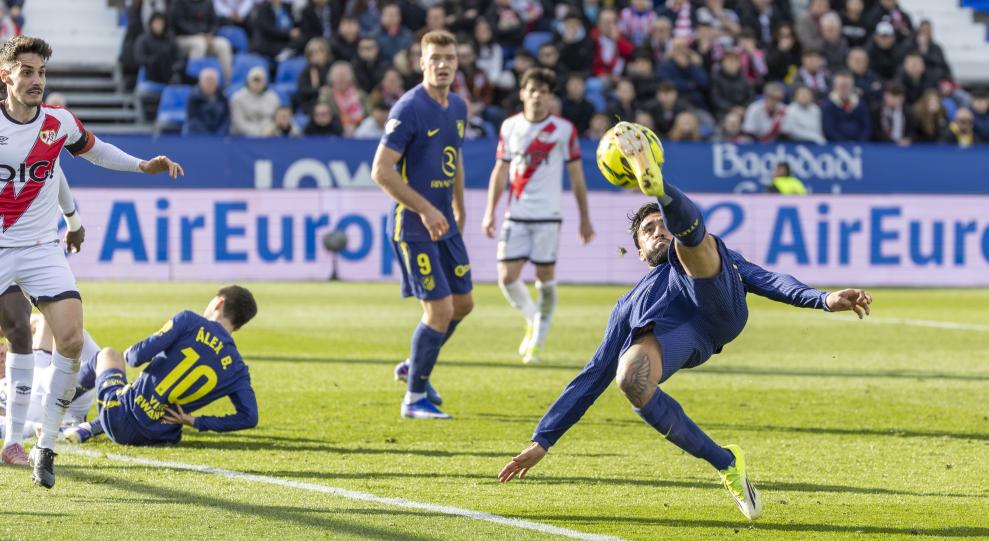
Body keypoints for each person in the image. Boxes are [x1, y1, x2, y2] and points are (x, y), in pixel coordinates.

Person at [498, 121, 873, 520]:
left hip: (720, 303)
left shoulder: (692, 247)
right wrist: (543, 440)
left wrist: (822, 298)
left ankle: (658, 186)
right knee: (630, 378)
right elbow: (592, 376)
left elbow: (766, 279)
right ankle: (727, 463)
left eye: (660, 222)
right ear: (639, 251)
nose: (657, 230)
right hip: (686, 337)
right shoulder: (629, 305)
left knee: (691, 245)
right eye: (648, 230)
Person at [0, 36, 183, 487]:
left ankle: (45, 446)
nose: (36, 80)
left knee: (71, 337)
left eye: (41, 72)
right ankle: (11, 439)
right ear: (6, 76)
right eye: (27, 71)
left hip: (43, 248)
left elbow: (93, 152)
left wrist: (143, 166)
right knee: (19, 331)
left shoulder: (58, 124)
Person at [371, 31, 472, 419]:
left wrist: (458, 206)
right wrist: (426, 210)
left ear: (457, 62)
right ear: (422, 63)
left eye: (449, 57)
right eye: (435, 58)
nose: (443, 64)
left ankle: (416, 365)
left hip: (444, 224)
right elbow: (381, 171)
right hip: (413, 226)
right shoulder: (408, 108)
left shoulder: (459, 107)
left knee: (463, 303)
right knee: (439, 311)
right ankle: (414, 398)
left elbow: (454, 158)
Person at [481, 68, 595, 364]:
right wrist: (489, 212)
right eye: (532, 90)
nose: (537, 96)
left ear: (550, 97)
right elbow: (501, 170)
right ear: (522, 93)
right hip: (515, 214)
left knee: (544, 277)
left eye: (543, 91)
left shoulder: (563, 130)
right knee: (507, 278)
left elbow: (576, 176)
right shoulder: (509, 127)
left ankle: (538, 339)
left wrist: (585, 217)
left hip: (548, 216)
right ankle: (534, 318)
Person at [61, 286, 259, 446]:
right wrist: (196, 422)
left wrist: (130, 352)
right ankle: (87, 428)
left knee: (108, 355)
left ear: (219, 302)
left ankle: (53, 406)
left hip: (120, 416)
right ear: (239, 326)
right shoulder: (238, 369)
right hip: (160, 434)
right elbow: (249, 418)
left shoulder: (190, 321)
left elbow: (135, 357)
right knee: (141, 399)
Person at [0, 314, 100, 443]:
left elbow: (45, 321)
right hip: (61, 413)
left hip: (62, 386)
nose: (1, 351)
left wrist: (8, 327)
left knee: (62, 325)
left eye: (1, 345)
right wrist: (33, 428)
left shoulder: (33, 361)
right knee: (104, 359)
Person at [168, 0, 234, 83]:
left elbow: (214, 22)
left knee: (223, 44)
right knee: (199, 44)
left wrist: (211, 33)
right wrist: (198, 33)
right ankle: (195, 81)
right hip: (183, 38)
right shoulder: (178, 2)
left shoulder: (208, 2)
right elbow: (179, 23)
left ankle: (228, 81)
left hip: (206, 38)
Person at [230, 66, 280, 136]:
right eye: (254, 81)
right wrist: (258, 134)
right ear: (248, 81)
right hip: (243, 138)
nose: (257, 84)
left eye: (259, 81)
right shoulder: (237, 98)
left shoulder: (273, 98)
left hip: (268, 137)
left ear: (265, 82)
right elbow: (239, 123)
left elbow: (277, 120)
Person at [822, 71, 871, 142]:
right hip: (836, 145)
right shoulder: (828, 105)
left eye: (847, 86)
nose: (844, 89)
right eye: (841, 86)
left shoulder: (860, 104)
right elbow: (829, 129)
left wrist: (861, 142)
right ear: (834, 86)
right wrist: (844, 143)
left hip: (860, 145)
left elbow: (866, 127)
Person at [133, 12, 180, 85]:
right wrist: (155, 60)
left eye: (161, 23)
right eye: (156, 23)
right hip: (152, 71)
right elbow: (139, 58)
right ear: (151, 24)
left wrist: (175, 66)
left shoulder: (170, 39)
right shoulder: (143, 40)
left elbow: (178, 57)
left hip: (169, 70)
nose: (158, 26)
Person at [186, 67, 230, 135]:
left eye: (212, 81)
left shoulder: (223, 97)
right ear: (200, 82)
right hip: (199, 136)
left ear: (217, 83)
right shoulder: (193, 97)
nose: (209, 84)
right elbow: (193, 119)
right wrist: (208, 136)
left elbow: (226, 119)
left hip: (219, 136)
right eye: (206, 81)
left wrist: (219, 135)